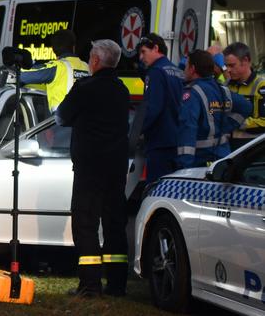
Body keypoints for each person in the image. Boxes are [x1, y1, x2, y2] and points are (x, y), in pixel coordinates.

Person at [56, 39, 129, 298]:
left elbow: (61, 116)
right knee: (114, 224)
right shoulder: (122, 90)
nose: (88, 61)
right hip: (117, 168)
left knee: (85, 224)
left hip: (90, 168)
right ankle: (118, 284)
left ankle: (90, 285)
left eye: (89, 57)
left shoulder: (85, 88)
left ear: (96, 61)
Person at [176, 50, 251, 168]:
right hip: (222, 158)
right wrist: (225, 126)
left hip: (199, 161)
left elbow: (188, 129)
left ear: (192, 69)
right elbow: (246, 107)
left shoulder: (192, 94)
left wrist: (184, 168)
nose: (184, 70)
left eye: (186, 66)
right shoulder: (221, 89)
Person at [138, 33, 184, 183]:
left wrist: (138, 131)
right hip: (177, 139)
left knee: (157, 188)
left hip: (159, 141)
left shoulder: (156, 72)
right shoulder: (177, 71)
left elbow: (152, 108)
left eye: (143, 52)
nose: (141, 57)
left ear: (156, 48)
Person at [19, 29, 89, 112]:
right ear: (74, 47)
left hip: (60, 122)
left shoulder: (58, 67)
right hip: (87, 121)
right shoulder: (87, 67)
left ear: (53, 49)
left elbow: (22, 75)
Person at [224, 42, 265, 150]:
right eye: (226, 66)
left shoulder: (261, 86)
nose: (228, 70)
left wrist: (237, 122)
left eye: (232, 65)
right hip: (227, 147)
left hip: (253, 149)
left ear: (246, 61)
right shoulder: (226, 86)